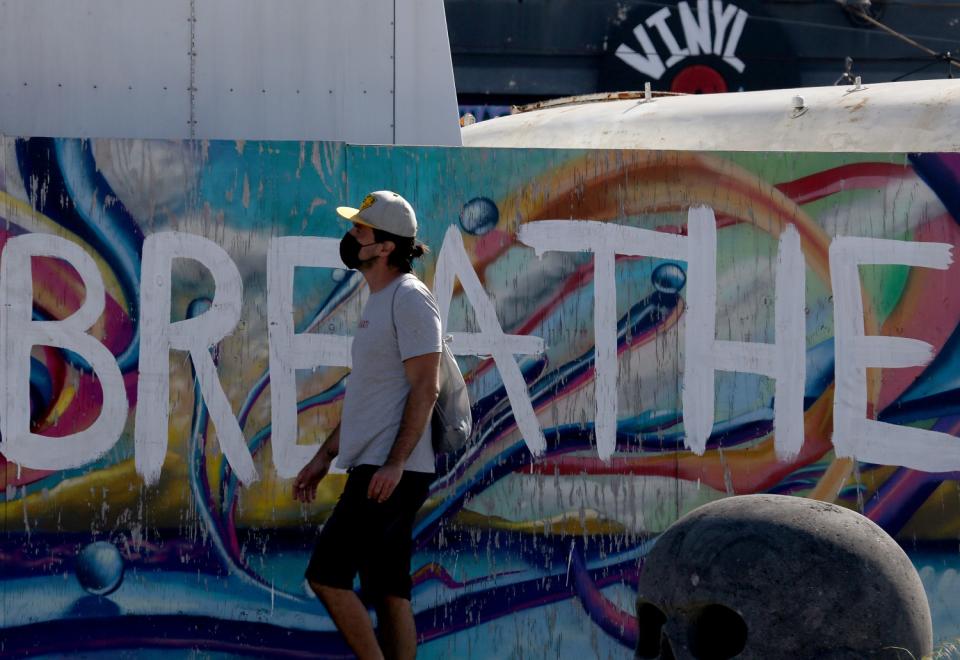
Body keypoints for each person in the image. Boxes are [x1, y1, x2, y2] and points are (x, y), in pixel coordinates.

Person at [292, 190, 441, 660]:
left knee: (327, 575)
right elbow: (370, 399)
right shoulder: (380, 301)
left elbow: (426, 387)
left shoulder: (410, 299)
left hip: (388, 471)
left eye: (361, 231)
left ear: (386, 247)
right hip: (381, 467)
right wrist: (323, 457)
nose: (351, 237)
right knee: (389, 588)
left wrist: (396, 463)